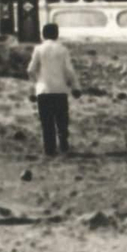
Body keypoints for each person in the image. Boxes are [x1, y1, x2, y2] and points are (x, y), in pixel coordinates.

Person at [26, 22, 81, 156]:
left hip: (44, 90)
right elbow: (69, 70)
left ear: (43, 34)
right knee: (62, 119)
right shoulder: (62, 49)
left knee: (47, 121)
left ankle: (49, 148)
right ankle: (63, 144)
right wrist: (75, 87)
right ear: (57, 34)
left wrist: (35, 85)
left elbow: (31, 70)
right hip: (60, 89)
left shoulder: (39, 49)